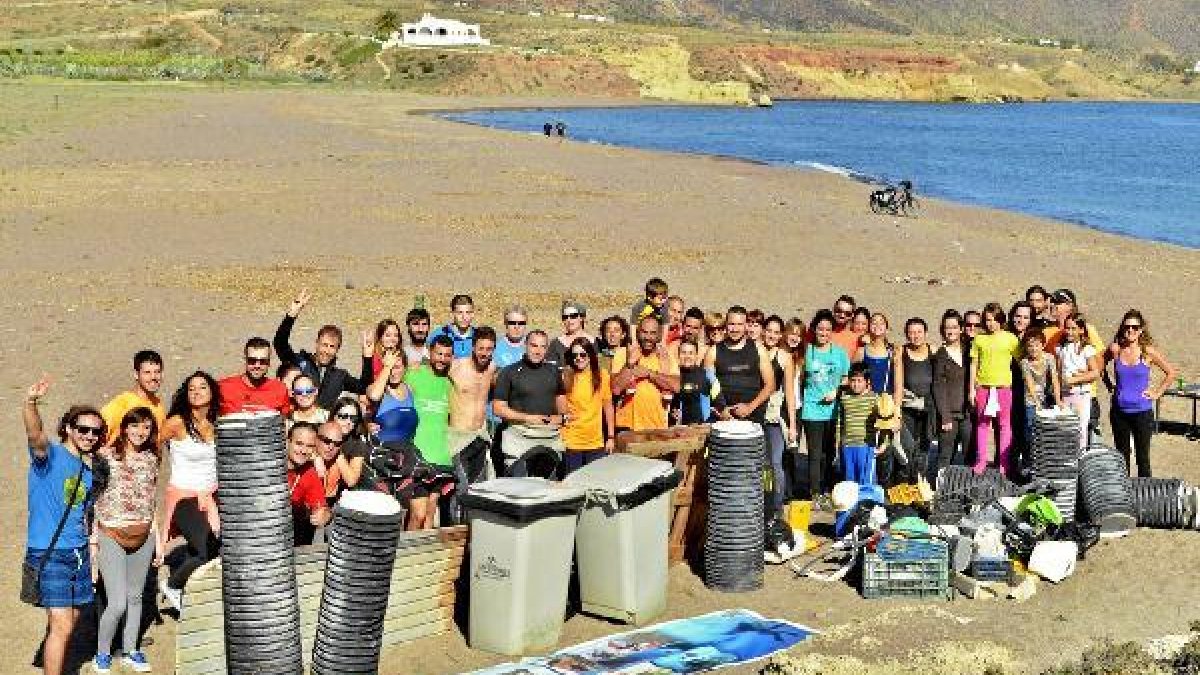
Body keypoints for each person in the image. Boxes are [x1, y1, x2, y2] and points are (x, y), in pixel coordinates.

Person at [23, 377, 102, 675]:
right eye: (83, 429)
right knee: (62, 624)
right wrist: (30, 403)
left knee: (70, 619)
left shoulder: (87, 469)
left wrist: (91, 550)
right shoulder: (50, 456)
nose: (89, 435)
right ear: (68, 428)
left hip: (78, 553)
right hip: (51, 552)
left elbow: (83, 513)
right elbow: (34, 434)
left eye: (95, 431)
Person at [93, 407, 160, 674]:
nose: (140, 432)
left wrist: (157, 535)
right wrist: (92, 539)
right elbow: (93, 497)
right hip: (112, 533)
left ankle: (131, 650)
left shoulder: (152, 458)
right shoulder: (105, 457)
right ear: (124, 428)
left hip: (144, 534)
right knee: (117, 601)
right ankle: (102, 653)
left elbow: (151, 497)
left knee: (136, 597)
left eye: (145, 427)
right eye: (134, 426)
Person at [157, 371, 221, 614]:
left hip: (212, 495)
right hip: (184, 497)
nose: (196, 392)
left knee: (209, 548)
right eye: (191, 388)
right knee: (206, 551)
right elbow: (152, 448)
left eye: (202, 387)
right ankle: (173, 585)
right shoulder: (176, 422)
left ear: (212, 392)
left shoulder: (218, 422)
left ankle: (196, 595)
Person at [1104, 309, 1177, 477]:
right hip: (1119, 412)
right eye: (1127, 327)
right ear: (1122, 328)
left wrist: (1157, 393)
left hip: (1142, 412)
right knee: (1121, 457)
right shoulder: (1116, 349)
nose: (1130, 330)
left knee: (1143, 458)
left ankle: (1145, 496)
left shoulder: (1148, 352)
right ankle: (1125, 495)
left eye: (1135, 327)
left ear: (1141, 330)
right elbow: (1099, 366)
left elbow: (1171, 372)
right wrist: (1109, 385)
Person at [273, 289, 366, 411]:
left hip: (323, 425)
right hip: (297, 422)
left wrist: (367, 358)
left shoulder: (340, 376)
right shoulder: (299, 363)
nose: (327, 351)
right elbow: (280, 343)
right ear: (316, 344)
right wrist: (291, 315)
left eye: (332, 347)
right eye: (324, 345)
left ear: (338, 350)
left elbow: (363, 386)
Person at [493, 330, 568, 472]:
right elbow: (498, 408)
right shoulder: (509, 372)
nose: (538, 351)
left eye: (543, 346)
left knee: (548, 489)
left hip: (549, 439)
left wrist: (562, 416)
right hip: (519, 438)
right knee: (520, 488)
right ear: (525, 345)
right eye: (534, 346)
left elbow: (560, 397)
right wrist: (529, 418)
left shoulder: (554, 371)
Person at [799, 310, 850, 507]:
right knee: (814, 453)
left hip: (833, 410)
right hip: (812, 410)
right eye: (820, 329)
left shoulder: (839, 353)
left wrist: (836, 391)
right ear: (814, 330)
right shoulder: (807, 351)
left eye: (828, 329)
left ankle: (828, 488)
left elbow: (846, 377)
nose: (824, 333)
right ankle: (815, 493)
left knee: (830, 452)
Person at [405, 336, 456, 529]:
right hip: (418, 456)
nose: (442, 359)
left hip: (441, 457)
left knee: (429, 515)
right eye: (439, 353)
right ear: (429, 352)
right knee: (417, 515)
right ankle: (406, 556)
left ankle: (424, 559)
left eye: (447, 355)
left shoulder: (450, 382)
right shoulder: (413, 374)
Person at [969, 303, 1020, 475]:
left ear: (1000, 320)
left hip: (1003, 388)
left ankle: (1004, 463)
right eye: (987, 320)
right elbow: (973, 363)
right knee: (983, 425)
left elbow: (1021, 360)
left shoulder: (1010, 338)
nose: (990, 323)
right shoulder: (979, 339)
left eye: (993, 320)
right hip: (983, 387)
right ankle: (981, 460)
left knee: (1005, 426)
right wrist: (971, 389)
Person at [612, 316, 681, 432]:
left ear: (659, 335)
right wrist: (629, 365)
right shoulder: (622, 354)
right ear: (638, 333)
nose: (648, 337)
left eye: (653, 333)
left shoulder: (666, 356)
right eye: (644, 332)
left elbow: (676, 386)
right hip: (626, 427)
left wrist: (649, 374)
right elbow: (616, 389)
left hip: (657, 427)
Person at [761, 316, 799, 512]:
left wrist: (792, 425)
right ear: (763, 331)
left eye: (777, 332)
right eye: (769, 331)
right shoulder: (754, 351)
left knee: (775, 463)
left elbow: (790, 394)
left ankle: (776, 507)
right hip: (754, 416)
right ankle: (763, 503)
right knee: (760, 464)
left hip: (774, 417)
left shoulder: (784, 358)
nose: (772, 336)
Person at [562, 338, 615, 473]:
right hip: (572, 440)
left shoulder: (601, 376)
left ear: (590, 356)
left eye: (583, 354)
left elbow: (608, 407)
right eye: (575, 355)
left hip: (595, 441)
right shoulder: (567, 376)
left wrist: (610, 437)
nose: (578, 358)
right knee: (573, 485)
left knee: (596, 483)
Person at [892, 317, 934, 484]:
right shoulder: (901, 352)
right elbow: (898, 383)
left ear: (925, 333)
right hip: (907, 408)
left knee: (924, 449)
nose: (915, 336)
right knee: (906, 448)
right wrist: (896, 410)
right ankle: (902, 485)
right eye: (911, 332)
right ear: (906, 334)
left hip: (928, 408)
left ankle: (919, 484)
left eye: (919, 332)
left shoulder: (934, 351)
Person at [449, 326, 497, 468]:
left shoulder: (492, 369)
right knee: (460, 487)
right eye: (481, 348)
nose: (484, 353)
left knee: (478, 487)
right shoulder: (455, 367)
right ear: (473, 347)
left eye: (489, 349)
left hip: (480, 436)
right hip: (458, 438)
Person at [931, 310, 971, 475]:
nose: (951, 331)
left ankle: (967, 490)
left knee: (970, 454)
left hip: (968, 413)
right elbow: (938, 386)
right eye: (947, 327)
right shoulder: (940, 354)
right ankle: (941, 490)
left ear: (961, 329)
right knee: (945, 455)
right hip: (949, 415)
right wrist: (945, 416)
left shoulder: (969, 351)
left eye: (954, 327)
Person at [1057, 312, 1102, 449]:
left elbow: (1095, 372)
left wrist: (1075, 379)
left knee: (1080, 431)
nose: (1069, 332)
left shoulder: (1087, 349)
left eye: (1073, 328)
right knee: (1065, 431)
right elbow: (1059, 372)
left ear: (1081, 330)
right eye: (1067, 328)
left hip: (1081, 396)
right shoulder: (1062, 349)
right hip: (1065, 396)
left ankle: (1079, 462)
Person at [101, 350, 165, 445]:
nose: (153, 377)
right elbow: (96, 436)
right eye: (147, 372)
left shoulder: (158, 406)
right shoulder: (120, 405)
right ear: (136, 374)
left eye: (157, 372)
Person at [219, 337, 290, 415]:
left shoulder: (280, 389)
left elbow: (285, 420)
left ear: (269, 362)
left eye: (263, 361)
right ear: (245, 360)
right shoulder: (224, 387)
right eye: (252, 360)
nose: (257, 366)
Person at [286, 423, 331, 546]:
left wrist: (324, 515)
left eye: (309, 446)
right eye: (299, 443)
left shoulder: (310, 473)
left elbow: (321, 507)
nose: (303, 451)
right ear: (287, 442)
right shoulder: (267, 463)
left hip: (289, 537)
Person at [838, 363, 881, 486]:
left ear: (867, 382)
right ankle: (852, 505)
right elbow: (840, 421)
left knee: (866, 481)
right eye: (853, 380)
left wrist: (884, 444)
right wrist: (838, 442)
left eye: (859, 381)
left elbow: (885, 423)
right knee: (849, 481)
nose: (856, 384)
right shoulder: (844, 398)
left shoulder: (874, 398)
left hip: (866, 446)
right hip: (847, 445)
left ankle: (868, 503)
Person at [1018, 330, 1062, 450]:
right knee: (1031, 429)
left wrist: (1058, 400)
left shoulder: (1049, 358)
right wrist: (1037, 403)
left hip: (1046, 397)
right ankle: (1031, 458)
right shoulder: (1024, 362)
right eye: (1029, 346)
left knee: (1046, 430)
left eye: (1036, 345)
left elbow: (1055, 379)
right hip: (1031, 399)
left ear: (1043, 345)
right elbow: (1029, 384)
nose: (1033, 349)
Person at [366, 351, 418, 444]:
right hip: (383, 453)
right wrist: (387, 366)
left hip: (406, 452)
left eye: (397, 367)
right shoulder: (376, 389)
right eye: (390, 368)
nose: (393, 373)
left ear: (405, 368)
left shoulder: (410, 390)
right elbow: (374, 396)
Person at [672, 339, 712, 425]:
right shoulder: (672, 374)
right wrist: (672, 411)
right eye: (683, 352)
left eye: (691, 353)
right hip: (677, 429)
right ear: (678, 355)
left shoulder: (706, 375)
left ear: (696, 355)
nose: (687, 356)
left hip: (699, 427)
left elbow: (718, 401)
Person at [856, 312, 894, 395]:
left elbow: (898, 382)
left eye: (881, 322)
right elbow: (853, 376)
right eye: (873, 322)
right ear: (869, 327)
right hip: (866, 401)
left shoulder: (893, 352)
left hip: (886, 401)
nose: (877, 324)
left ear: (887, 329)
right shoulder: (862, 350)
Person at [428, 294, 476, 359]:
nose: (464, 317)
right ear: (452, 314)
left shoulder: (480, 336)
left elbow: (492, 363)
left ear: (472, 314)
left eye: (468, 312)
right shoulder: (438, 334)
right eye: (459, 313)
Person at [548, 300, 592, 366]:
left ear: (582, 318)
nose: (569, 320)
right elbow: (551, 369)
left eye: (573, 316)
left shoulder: (594, 342)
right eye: (565, 317)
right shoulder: (555, 344)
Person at [494, 306, 529, 371]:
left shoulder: (533, 346)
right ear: (505, 324)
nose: (516, 327)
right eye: (512, 323)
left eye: (521, 323)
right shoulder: (495, 346)